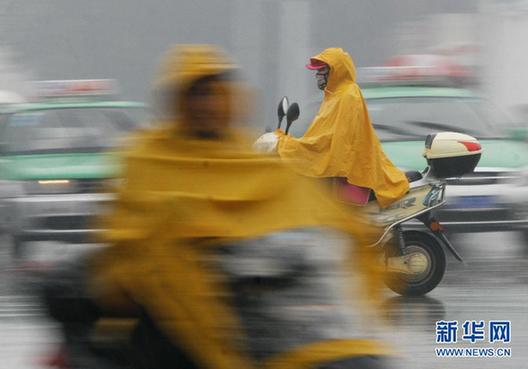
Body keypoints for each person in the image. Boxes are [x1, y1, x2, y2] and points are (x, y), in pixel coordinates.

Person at [44, 45, 395, 369]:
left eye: (215, 92)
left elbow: (322, 209)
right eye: (196, 93)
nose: (207, 104)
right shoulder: (147, 157)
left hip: (288, 325)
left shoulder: (255, 160)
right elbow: (132, 244)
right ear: (177, 100)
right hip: (182, 314)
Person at [276, 47, 409, 208]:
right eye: (316, 72)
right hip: (340, 174)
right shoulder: (332, 96)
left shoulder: (348, 95)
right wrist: (290, 143)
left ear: (335, 71)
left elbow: (335, 140)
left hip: (350, 175)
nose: (317, 76)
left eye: (321, 71)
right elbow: (319, 137)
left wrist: (288, 146)